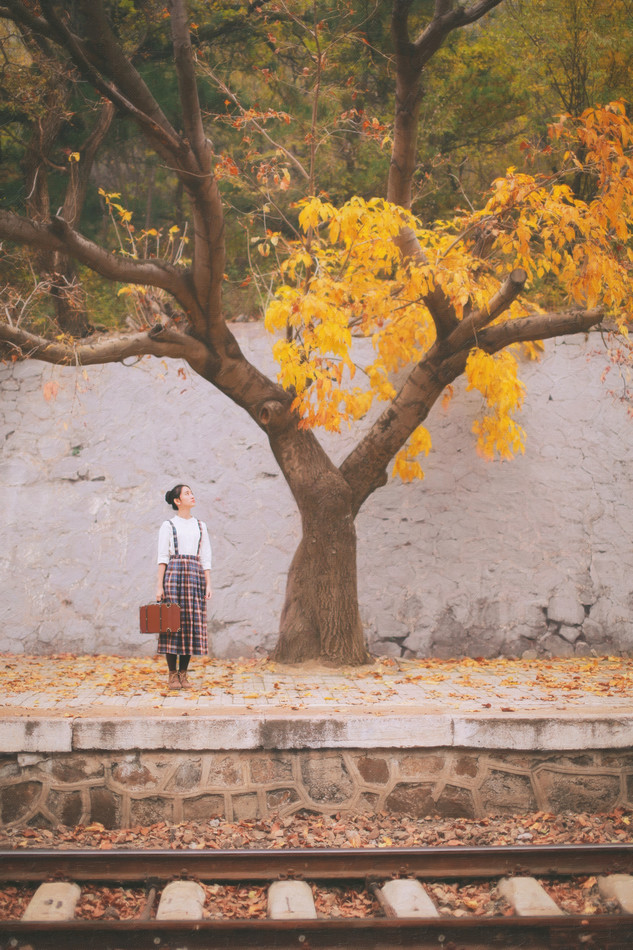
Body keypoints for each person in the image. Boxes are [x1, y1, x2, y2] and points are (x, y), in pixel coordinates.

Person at [156, 484, 212, 689]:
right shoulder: (168, 525)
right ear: (177, 501)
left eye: (192, 492)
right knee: (171, 625)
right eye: (187, 493)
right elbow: (162, 557)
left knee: (190, 625)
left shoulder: (200, 525)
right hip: (174, 575)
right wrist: (159, 586)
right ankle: (172, 675)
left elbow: (206, 556)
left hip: (195, 577)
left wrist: (208, 583)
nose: (192, 496)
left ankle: (184, 674)